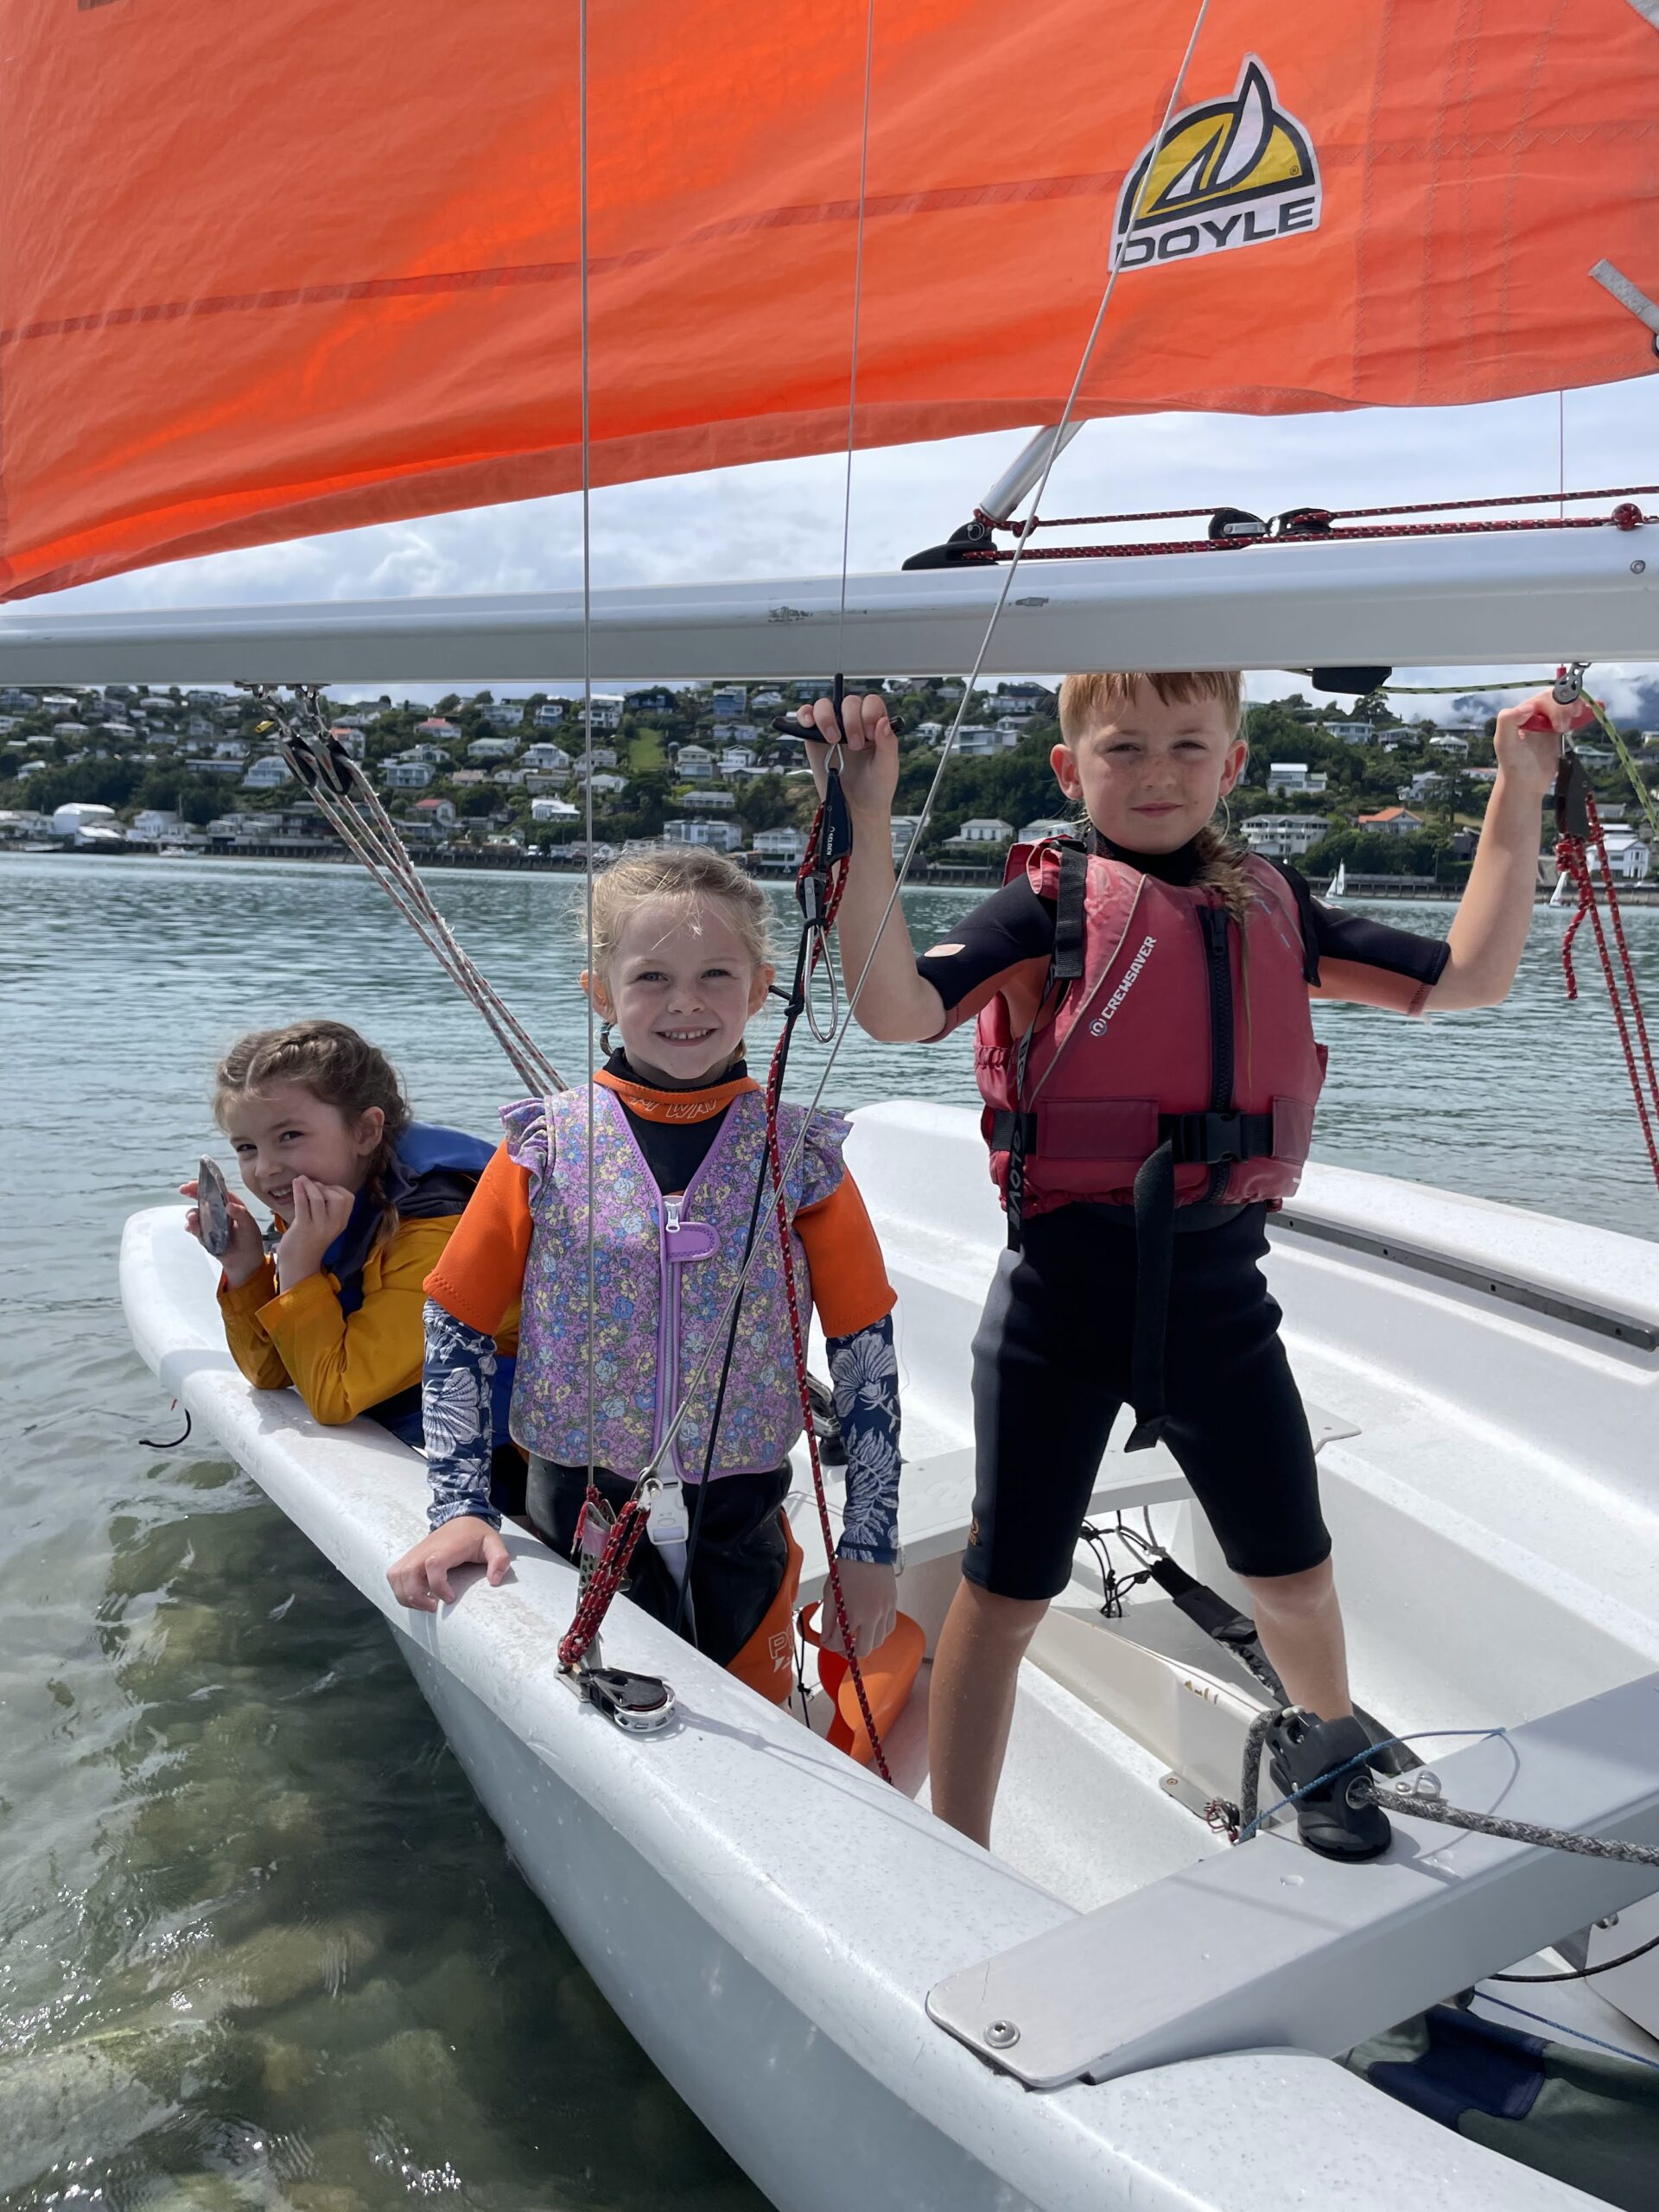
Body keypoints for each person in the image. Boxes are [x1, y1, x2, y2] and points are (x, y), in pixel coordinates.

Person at [800, 671, 1575, 1855]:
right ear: (1071, 770)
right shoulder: (1039, 913)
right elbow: (899, 1011)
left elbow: (1469, 978)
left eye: (1186, 746)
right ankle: (963, 1847)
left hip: (1222, 1301)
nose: (1156, 772)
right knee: (1004, 1600)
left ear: (1234, 763)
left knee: (1298, 1575)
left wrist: (1517, 792)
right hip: (1060, 1302)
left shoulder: (1271, 906)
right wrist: (863, 813)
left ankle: (1333, 1765)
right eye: (1123, 748)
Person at [385, 846, 903, 1706]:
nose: (686, 1002)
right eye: (652, 977)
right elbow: (456, 1325)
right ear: (601, 992)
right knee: (587, 1715)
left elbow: (865, 1354)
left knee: (755, 1732)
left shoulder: (803, 1157)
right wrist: (460, 1509)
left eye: (715, 974)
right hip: (571, 1516)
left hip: (741, 1527)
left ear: (762, 983)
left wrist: (872, 1543)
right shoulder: (543, 1146)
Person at [184, 1019, 524, 1512]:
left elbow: (334, 1396)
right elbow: (273, 1373)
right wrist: (245, 1270)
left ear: (365, 1131)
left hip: (506, 1470)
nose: (265, 1168)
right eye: (246, 1147)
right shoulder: (328, 1205)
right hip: (413, 1429)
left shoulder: (435, 1231)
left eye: (289, 1135)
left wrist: (298, 1264)